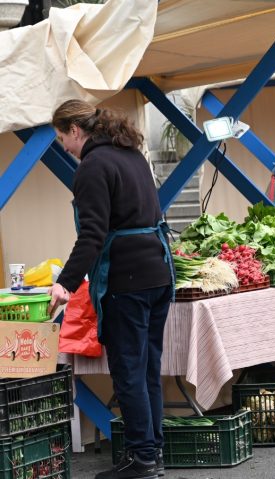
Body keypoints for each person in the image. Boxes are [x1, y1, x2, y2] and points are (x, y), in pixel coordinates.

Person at [47, 100, 174, 479]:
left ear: (75, 130)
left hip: (126, 280)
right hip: (158, 273)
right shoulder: (132, 155)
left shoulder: (93, 166)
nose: (64, 147)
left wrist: (65, 284)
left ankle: (142, 459)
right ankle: (152, 452)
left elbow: (92, 234)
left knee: (129, 371)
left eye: (61, 138)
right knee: (148, 368)